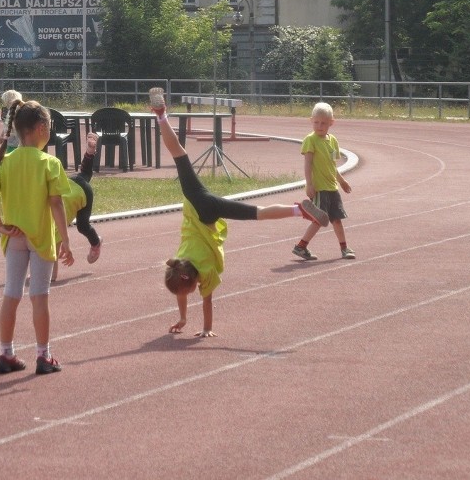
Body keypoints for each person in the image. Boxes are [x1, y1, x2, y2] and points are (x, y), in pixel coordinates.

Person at [148, 87, 329, 337]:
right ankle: (161, 115)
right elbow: (182, 289)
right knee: (179, 154)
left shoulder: (205, 272)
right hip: (198, 200)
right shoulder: (178, 261)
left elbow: (205, 300)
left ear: (190, 282)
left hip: (208, 212)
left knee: (257, 214)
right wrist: (182, 317)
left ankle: (299, 212)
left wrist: (202, 327)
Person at [0, 99, 74, 375]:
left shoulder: (6, 161)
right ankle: (43, 355)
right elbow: (56, 204)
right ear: (41, 128)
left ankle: (6, 353)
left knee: (11, 295)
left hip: (14, 237)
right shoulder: (50, 162)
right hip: (40, 238)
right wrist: (66, 241)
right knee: (39, 296)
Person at [292, 101, 354, 261]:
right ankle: (301, 246)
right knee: (320, 219)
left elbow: (333, 165)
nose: (319, 126)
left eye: (324, 123)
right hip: (319, 188)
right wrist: (309, 184)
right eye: (316, 122)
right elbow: (307, 163)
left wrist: (341, 181)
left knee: (337, 219)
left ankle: (344, 248)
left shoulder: (333, 140)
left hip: (332, 187)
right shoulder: (310, 140)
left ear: (331, 123)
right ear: (311, 120)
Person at [51, 132, 103, 282]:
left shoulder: (52, 227)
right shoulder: (44, 218)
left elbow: (52, 276)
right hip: (72, 182)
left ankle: (96, 242)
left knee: (82, 225)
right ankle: (90, 152)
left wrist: (46, 275)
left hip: (83, 192)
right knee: (84, 175)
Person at [0, 89, 22, 158]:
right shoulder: (16, 110)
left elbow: (8, 125)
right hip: (17, 143)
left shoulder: (13, 112)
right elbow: (7, 125)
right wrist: (2, 135)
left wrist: (3, 136)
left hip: (13, 143)